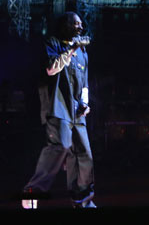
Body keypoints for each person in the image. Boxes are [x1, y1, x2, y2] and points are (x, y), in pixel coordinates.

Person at [21, 12, 96, 208]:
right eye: (74, 24)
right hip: (57, 108)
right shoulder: (53, 43)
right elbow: (51, 69)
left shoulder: (83, 53)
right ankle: (32, 193)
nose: (79, 28)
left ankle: (82, 200)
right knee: (60, 146)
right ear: (65, 25)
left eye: (80, 24)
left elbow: (85, 82)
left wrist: (85, 103)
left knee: (83, 154)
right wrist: (70, 49)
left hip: (76, 112)